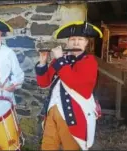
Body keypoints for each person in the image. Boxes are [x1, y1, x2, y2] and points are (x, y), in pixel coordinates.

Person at [35, 21, 103, 150]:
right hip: (52, 111)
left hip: (74, 116)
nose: (76, 43)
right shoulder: (61, 60)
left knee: (71, 147)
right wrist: (43, 63)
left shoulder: (89, 62)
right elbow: (43, 83)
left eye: (80, 39)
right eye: (73, 39)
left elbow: (76, 84)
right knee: (47, 146)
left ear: (86, 43)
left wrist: (60, 60)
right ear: (68, 42)